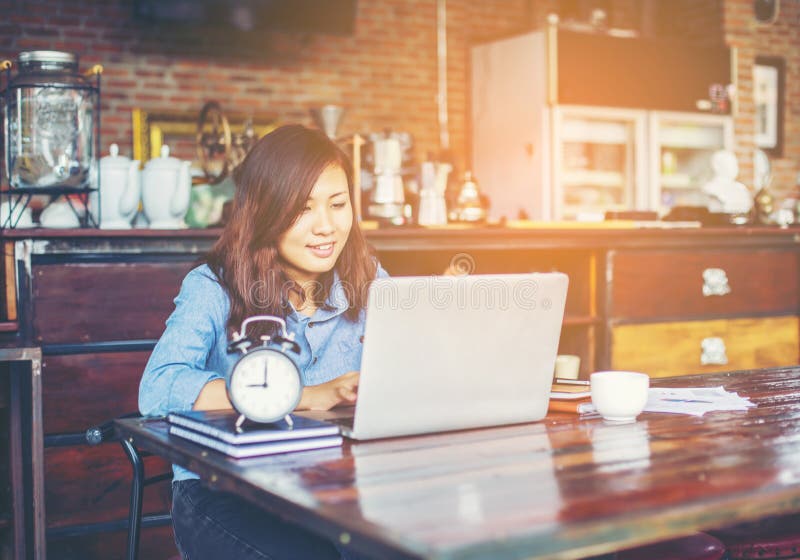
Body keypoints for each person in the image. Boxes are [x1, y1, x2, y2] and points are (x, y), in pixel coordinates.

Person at [139, 124, 387, 560]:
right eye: (302, 209)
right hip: (225, 492)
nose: (326, 227)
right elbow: (157, 387)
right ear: (266, 211)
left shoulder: (368, 278)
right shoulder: (213, 286)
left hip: (336, 487)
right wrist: (306, 396)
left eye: (338, 204)